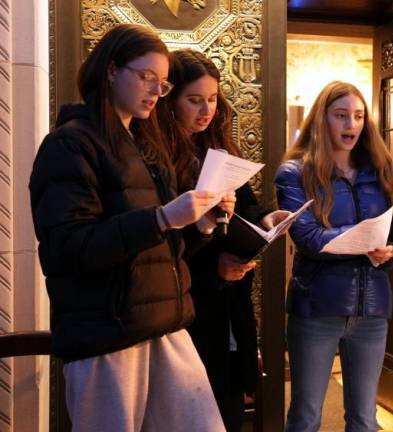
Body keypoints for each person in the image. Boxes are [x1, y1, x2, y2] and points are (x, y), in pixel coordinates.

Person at [28, 24, 235, 430]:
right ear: (110, 70)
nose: (157, 92)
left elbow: (161, 252)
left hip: (166, 325)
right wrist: (161, 218)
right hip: (108, 334)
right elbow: (69, 248)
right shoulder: (70, 144)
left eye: (163, 83)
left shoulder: (145, 145)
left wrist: (201, 225)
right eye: (146, 78)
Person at [156, 48, 290, 431]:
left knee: (228, 409)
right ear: (170, 101)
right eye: (194, 100)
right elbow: (162, 241)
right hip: (187, 307)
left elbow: (244, 208)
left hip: (229, 305)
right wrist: (213, 263)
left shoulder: (218, 150)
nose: (206, 110)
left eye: (213, 99)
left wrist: (267, 218)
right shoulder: (157, 157)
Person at [274, 81, 393, 432]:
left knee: (365, 419)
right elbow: (307, 237)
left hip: (372, 312)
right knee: (306, 416)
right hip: (317, 308)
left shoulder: (380, 173)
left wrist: (392, 249)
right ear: (323, 120)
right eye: (341, 116)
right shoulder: (295, 172)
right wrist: (364, 241)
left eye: (358, 116)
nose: (351, 124)